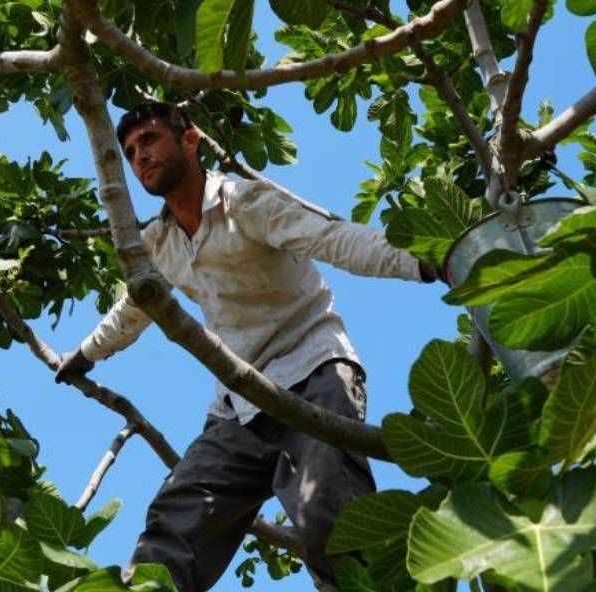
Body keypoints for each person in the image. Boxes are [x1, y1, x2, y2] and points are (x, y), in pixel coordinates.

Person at [55, 101, 435, 591]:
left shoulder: (246, 203)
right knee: (176, 521)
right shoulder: (159, 244)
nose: (139, 157)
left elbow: (333, 239)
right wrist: (84, 355)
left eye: (149, 140)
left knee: (334, 521)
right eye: (129, 152)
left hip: (313, 373)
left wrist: (426, 261)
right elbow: (131, 311)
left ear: (190, 141)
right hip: (237, 407)